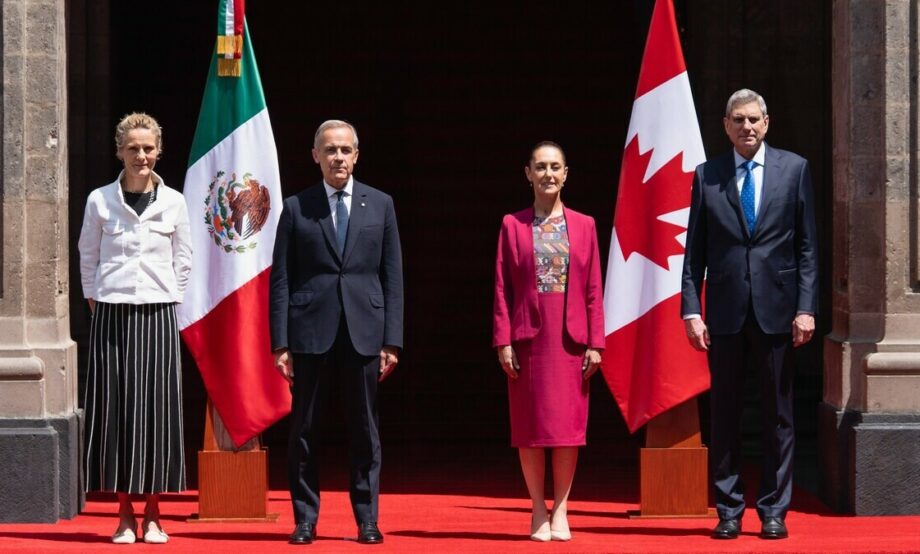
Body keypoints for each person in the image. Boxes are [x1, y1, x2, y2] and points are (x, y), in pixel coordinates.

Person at [681, 89, 818, 540]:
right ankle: (729, 509)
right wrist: (691, 312)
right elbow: (693, 254)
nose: (747, 127)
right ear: (725, 126)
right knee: (724, 414)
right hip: (724, 314)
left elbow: (806, 248)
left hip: (779, 313)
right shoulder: (707, 176)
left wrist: (805, 308)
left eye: (754, 119)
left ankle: (774, 509)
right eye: (738, 120)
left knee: (779, 416)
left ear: (767, 122)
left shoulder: (794, 169)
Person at [269, 120, 403, 546]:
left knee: (365, 429)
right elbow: (282, 280)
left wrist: (392, 340)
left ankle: (367, 519)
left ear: (357, 155)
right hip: (309, 332)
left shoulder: (380, 205)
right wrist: (281, 343)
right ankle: (305, 519)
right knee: (305, 430)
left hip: (365, 331)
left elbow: (392, 276)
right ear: (315, 156)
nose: (338, 158)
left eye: (345, 150)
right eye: (330, 150)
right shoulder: (296, 207)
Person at [78, 112, 192, 544]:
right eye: (133, 148)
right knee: (118, 412)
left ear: (158, 151)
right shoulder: (99, 201)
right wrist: (95, 295)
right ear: (119, 152)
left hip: (158, 312)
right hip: (112, 311)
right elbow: (88, 254)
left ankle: (154, 513)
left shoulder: (175, 202)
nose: (141, 156)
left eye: (148, 148)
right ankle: (125, 513)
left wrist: (170, 294)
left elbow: (184, 258)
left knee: (158, 412)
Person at [492, 141, 604, 542]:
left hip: (571, 339)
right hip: (528, 340)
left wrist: (596, 341)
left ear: (566, 173)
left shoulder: (585, 225)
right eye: (540, 167)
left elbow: (593, 288)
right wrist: (502, 341)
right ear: (528, 174)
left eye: (556, 166)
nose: (548, 174)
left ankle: (562, 510)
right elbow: (502, 288)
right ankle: (537, 507)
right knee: (530, 429)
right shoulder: (512, 224)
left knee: (567, 429)